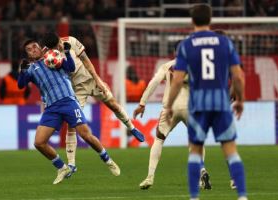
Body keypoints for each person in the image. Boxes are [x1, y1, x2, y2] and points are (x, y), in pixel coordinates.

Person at [165, 4, 247, 200]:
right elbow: (238, 76)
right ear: (210, 20)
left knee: (195, 151)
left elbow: (177, 80)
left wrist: (168, 105)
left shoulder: (186, 45)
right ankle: (242, 196)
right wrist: (240, 100)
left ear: (192, 20)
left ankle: (194, 197)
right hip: (220, 103)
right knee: (231, 151)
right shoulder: (224, 43)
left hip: (198, 105)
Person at [18, 38, 120, 185]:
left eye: (34, 46)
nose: (33, 50)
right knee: (39, 143)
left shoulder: (52, 58)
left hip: (68, 102)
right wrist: (22, 70)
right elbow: (21, 85)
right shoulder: (31, 69)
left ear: (40, 47)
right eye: (29, 49)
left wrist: (66, 52)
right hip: (51, 108)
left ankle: (107, 160)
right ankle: (62, 167)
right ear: (28, 55)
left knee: (86, 135)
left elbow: (71, 68)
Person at [42, 33, 145, 173]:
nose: (59, 47)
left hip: (91, 79)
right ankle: (71, 163)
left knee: (112, 104)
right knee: (72, 124)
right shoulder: (48, 57)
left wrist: (98, 80)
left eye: (59, 44)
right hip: (76, 90)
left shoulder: (71, 41)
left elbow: (86, 60)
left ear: (60, 40)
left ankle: (132, 128)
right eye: (56, 47)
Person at [134, 45, 211, 190]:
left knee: (159, 140)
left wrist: (142, 103)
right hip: (191, 108)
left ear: (175, 52)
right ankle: (201, 171)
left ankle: (150, 177)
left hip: (170, 108)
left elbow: (154, 83)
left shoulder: (167, 66)